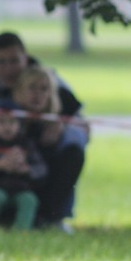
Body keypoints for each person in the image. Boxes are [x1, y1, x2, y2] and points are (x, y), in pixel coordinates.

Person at [0, 31, 89, 232]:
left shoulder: (49, 80)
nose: (8, 69)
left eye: (14, 60)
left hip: (38, 166)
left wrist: (59, 126)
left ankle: (53, 217)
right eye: (1, 62)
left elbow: (83, 124)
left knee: (73, 142)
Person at [12, 65, 86, 230]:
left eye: (44, 89)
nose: (37, 94)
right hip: (13, 187)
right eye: (32, 88)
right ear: (19, 91)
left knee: (73, 152)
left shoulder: (55, 126)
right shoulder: (8, 121)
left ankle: (51, 218)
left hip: (45, 187)